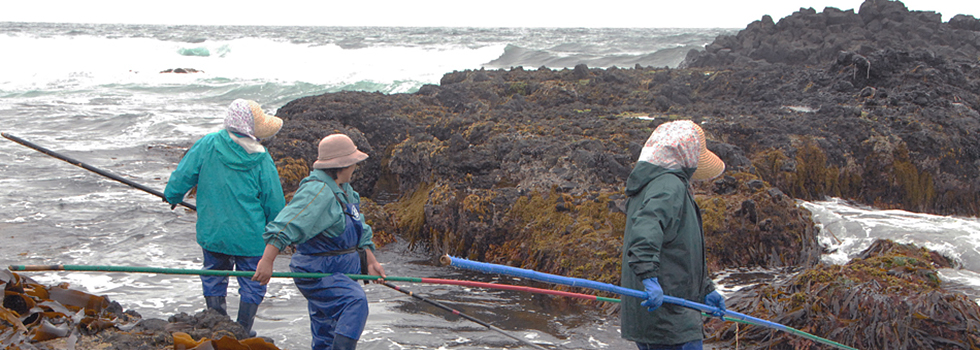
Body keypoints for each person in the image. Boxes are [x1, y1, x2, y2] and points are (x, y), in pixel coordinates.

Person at [252, 133, 386, 350]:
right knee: (355, 302)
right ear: (341, 165)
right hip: (318, 273)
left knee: (326, 330)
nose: (355, 167)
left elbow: (360, 229)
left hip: (343, 270)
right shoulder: (317, 191)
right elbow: (286, 225)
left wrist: (370, 261)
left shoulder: (347, 191)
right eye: (353, 163)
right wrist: (267, 261)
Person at [164, 99, 286, 336]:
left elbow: (183, 175)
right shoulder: (261, 157)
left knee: (214, 274)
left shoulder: (208, 144)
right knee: (253, 282)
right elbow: (274, 201)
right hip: (251, 237)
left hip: (214, 232)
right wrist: (279, 234)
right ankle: (242, 328)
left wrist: (172, 195)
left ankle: (216, 322)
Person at [620, 120, 727, 350]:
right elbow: (646, 230)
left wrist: (705, 290)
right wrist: (648, 277)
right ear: (686, 154)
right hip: (667, 319)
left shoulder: (657, 184)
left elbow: (679, 248)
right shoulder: (669, 185)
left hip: (672, 314)